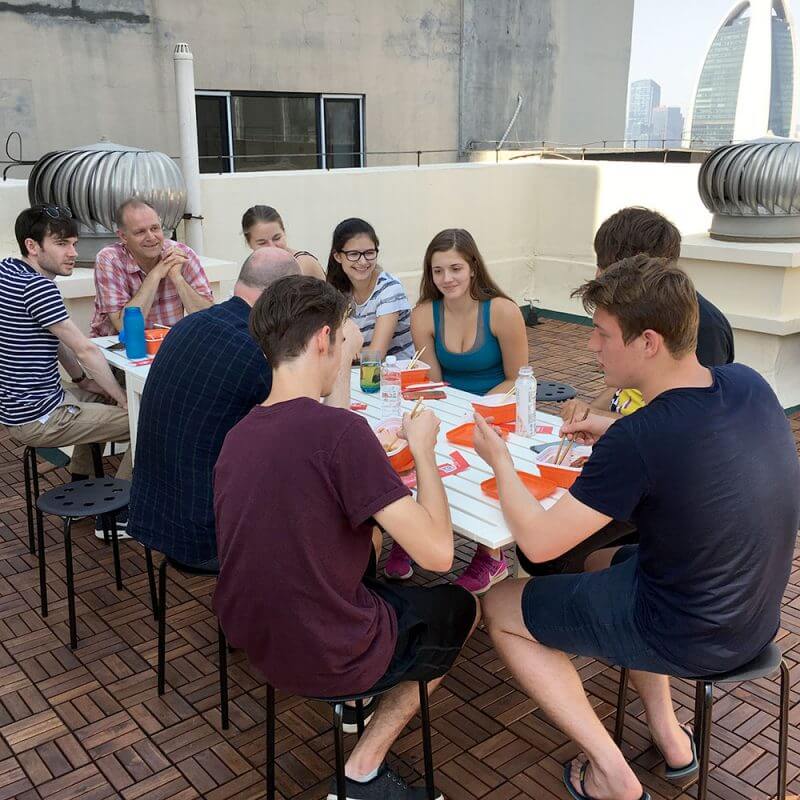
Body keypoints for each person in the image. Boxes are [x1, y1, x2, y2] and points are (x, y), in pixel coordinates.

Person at [475, 256, 798, 800]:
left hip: (688, 633)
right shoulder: (748, 386)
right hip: (754, 618)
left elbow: (536, 543)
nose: (592, 347)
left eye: (602, 334)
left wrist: (499, 461)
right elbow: (685, 443)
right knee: (603, 560)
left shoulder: (642, 438)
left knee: (501, 606)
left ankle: (613, 775)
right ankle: (672, 739)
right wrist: (609, 426)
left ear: (648, 342)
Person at [214, 276, 478, 799]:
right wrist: (422, 449)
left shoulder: (239, 434)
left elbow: (316, 433)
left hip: (259, 641)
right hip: (330, 648)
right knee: (461, 604)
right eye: (343, 343)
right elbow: (440, 554)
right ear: (322, 340)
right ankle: (364, 767)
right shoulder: (340, 436)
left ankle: (354, 707)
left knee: (371, 556)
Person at [388, 228, 528, 594]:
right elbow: (432, 380)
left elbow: (519, 378)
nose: (447, 278)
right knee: (411, 451)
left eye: (455, 268)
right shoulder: (423, 314)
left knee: (487, 470)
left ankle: (490, 554)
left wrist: (477, 411)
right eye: (438, 271)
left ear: (473, 268)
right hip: (451, 406)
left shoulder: (502, 310)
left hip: (497, 411)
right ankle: (411, 531)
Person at [1, 206, 131, 533]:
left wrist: (82, 381)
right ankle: (118, 513)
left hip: (18, 409)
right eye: (61, 244)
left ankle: (82, 486)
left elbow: (54, 338)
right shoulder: (39, 288)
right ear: (33, 246)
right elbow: (85, 348)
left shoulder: (8, 272)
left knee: (100, 398)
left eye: (73, 243)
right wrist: (122, 399)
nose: (73, 253)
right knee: (147, 422)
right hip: (42, 416)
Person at [566, 207, 734, 422]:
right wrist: (587, 412)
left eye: (604, 269)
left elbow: (688, 421)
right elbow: (627, 385)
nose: (597, 275)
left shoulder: (706, 327)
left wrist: (595, 416)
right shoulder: (633, 312)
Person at [90, 198, 213, 336]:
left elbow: (209, 319)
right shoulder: (109, 259)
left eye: (155, 228)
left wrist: (178, 279)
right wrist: (155, 275)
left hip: (168, 345)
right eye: (140, 232)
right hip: (118, 347)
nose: (151, 237)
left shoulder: (181, 254)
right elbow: (124, 327)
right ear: (123, 237)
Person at [326, 217, 414, 359]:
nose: (363, 261)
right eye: (353, 254)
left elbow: (376, 355)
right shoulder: (338, 291)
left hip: (395, 376)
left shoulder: (389, 288)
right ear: (337, 256)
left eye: (369, 253)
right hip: (356, 373)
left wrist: (345, 354)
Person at [241, 204, 326, 280]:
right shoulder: (254, 267)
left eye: (277, 238)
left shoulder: (302, 264)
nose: (272, 247)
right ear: (249, 243)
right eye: (262, 243)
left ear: (284, 232)